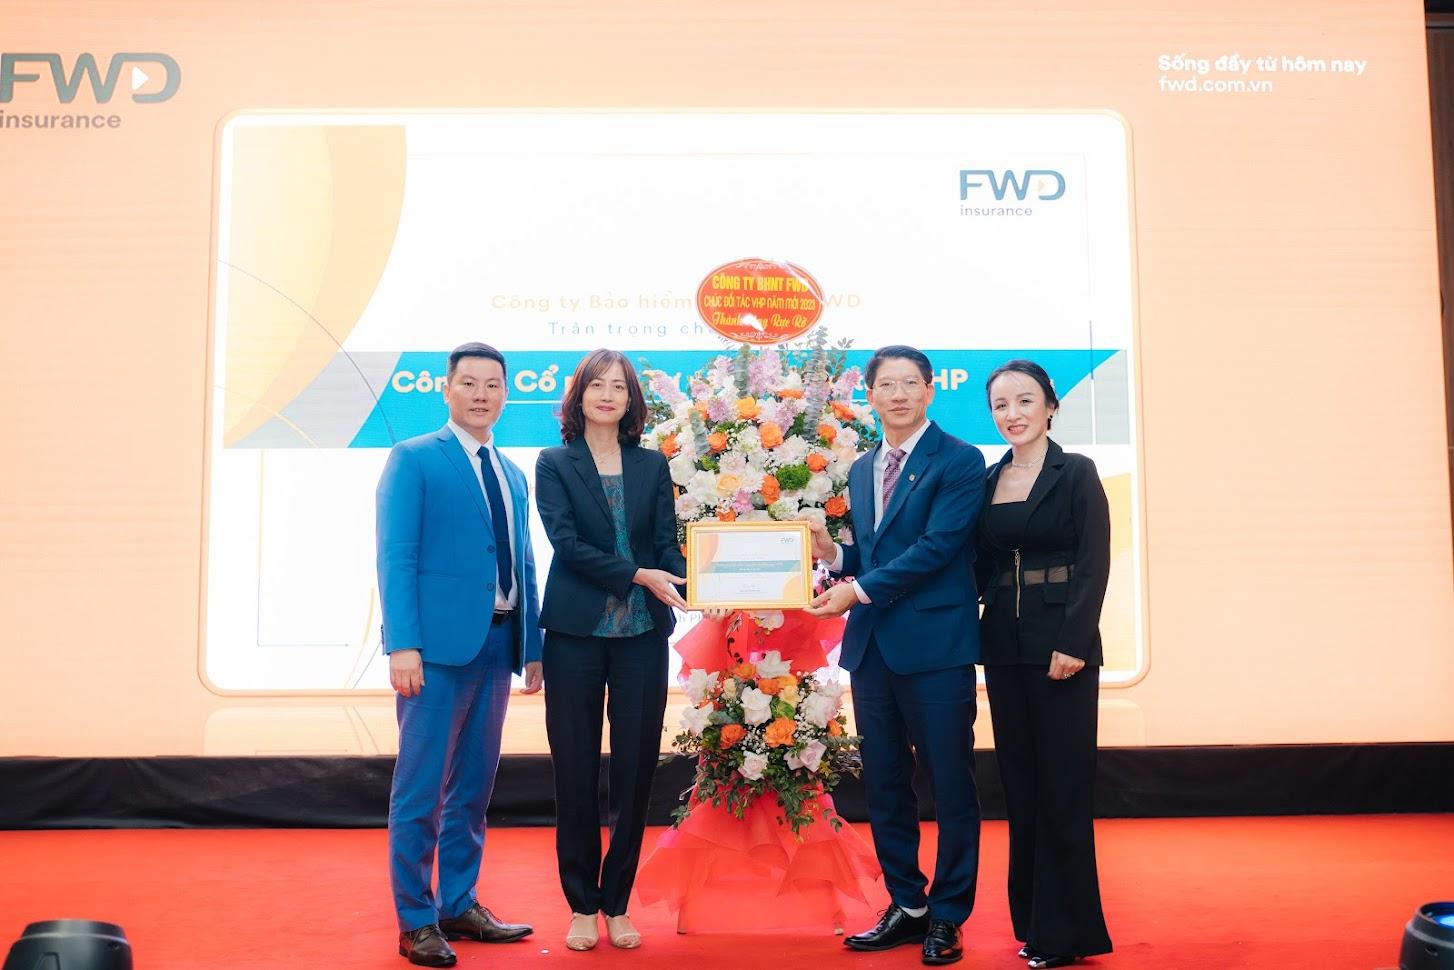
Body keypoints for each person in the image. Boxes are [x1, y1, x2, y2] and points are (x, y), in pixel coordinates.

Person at [804, 344, 987, 966]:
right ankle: (907, 905)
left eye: (911, 383)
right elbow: (876, 555)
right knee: (884, 785)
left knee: (949, 783)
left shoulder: (960, 460)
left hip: (936, 647)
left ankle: (949, 913)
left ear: (930, 390)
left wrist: (856, 590)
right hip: (875, 649)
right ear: (871, 395)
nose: (900, 394)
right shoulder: (863, 467)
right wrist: (833, 555)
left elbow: (938, 547)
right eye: (887, 384)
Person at [376, 341, 542, 968]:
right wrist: (403, 643)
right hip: (435, 654)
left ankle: (458, 902)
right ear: (446, 389)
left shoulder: (513, 473)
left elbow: (524, 562)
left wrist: (532, 644)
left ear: (506, 394)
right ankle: (416, 920)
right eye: (469, 383)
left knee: (473, 789)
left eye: (492, 385)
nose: (480, 394)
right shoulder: (414, 458)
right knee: (420, 789)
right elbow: (396, 557)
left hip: (497, 645)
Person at [534, 349, 688, 952]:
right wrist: (638, 574)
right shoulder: (554, 462)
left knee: (635, 772)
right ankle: (581, 903)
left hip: (642, 637)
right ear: (579, 397)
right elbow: (566, 544)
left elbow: (667, 543)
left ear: (631, 400)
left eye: (618, 387)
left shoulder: (652, 464)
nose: (607, 395)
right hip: (574, 635)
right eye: (596, 385)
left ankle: (617, 903)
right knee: (573, 770)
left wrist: (695, 583)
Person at [976, 359, 1113, 969]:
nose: (1013, 414)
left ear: (1051, 406)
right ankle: (1033, 922)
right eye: (1001, 405)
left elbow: (1094, 561)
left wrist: (1074, 642)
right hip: (1003, 649)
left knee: (1063, 787)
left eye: (1025, 400)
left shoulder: (1076, 471)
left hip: (1062, 650)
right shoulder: (988, 478)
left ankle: (1065, 932)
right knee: (1022, 787)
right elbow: (974, 566)